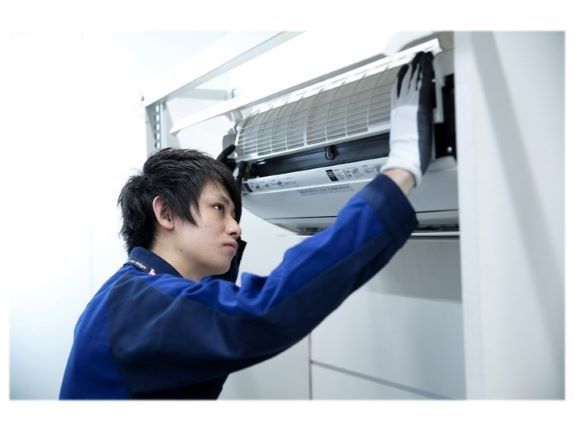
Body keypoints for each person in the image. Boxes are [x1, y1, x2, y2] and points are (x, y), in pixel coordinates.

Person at [59, 51, 435, 399]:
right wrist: (398, 174)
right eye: (218, 209)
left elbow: (205, 315)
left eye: (233, 214)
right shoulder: (144, 307)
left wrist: (222, 196)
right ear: (166, 213)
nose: (236, 228)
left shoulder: (129, 291)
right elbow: (262, 311)